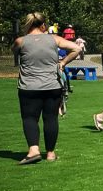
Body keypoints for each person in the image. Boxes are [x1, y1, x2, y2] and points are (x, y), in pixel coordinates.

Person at [12, 12, 82, 164]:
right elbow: (77, 49)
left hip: (29, 87)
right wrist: (63, 63)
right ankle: (50, 153)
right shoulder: (54, 39)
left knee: (30, 118)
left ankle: (33, 150)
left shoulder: (20, 41)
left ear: (28, 24)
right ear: (43, 25)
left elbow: (15, 53)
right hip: (52, 85)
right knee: (51, 119)